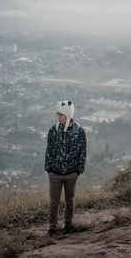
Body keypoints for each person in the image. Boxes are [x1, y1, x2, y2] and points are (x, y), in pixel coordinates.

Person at [45, 100, 86, 236]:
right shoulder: (53, 131)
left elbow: (82, 152)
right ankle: (52, 227)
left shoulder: (79, 132)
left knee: (70, 201)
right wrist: (49, 168)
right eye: (58, 115)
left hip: (71, 174)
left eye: (60, 115)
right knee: (53, 202)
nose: (58, 117)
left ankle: (68, 224)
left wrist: (78, 170)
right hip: (55, 173)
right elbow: (49, 150)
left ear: (68, 115)